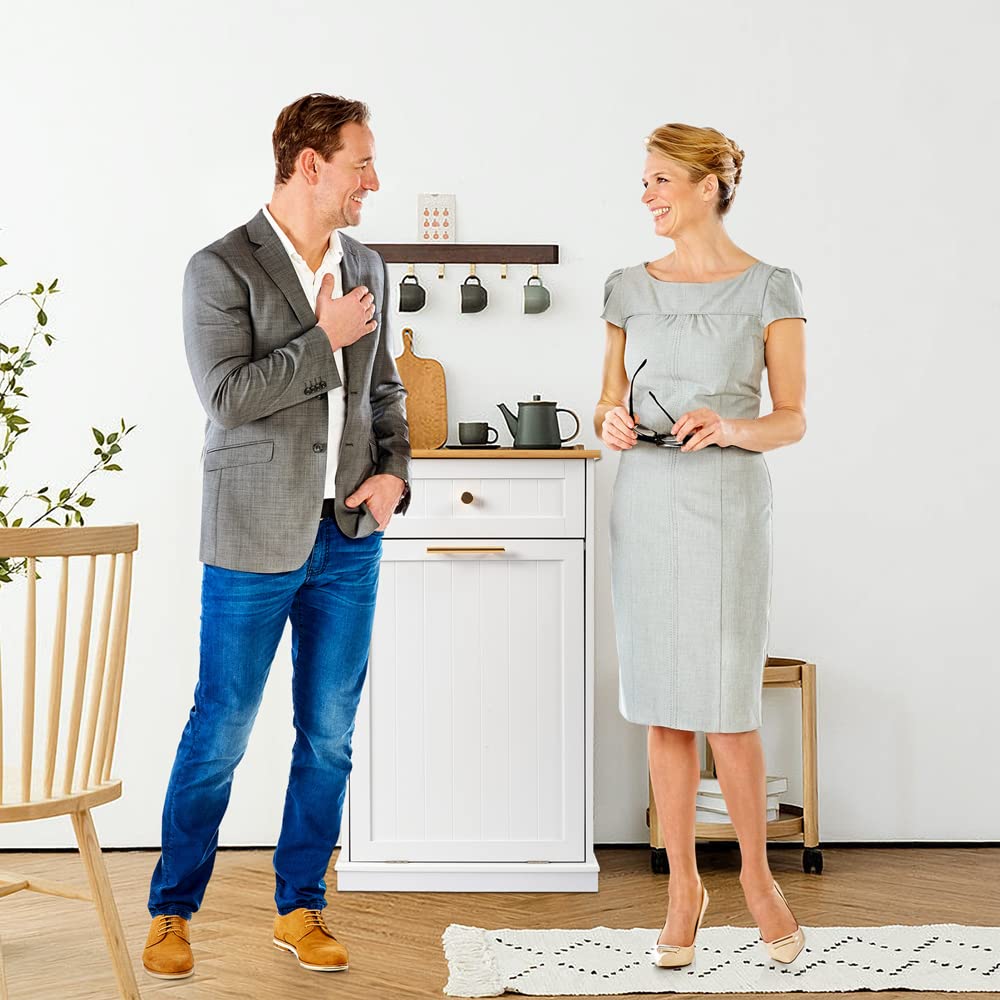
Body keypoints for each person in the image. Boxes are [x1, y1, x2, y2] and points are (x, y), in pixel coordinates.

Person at [141, 93, 410, 980]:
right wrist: (322, 338)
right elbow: (226, 397)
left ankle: (301, 907)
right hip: (252, 537)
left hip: (349, 539)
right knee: (220, 730)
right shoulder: (220, 267)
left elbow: (383, 392)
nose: (374, 180)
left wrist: (394, 475)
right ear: (309, 164)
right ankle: (172, 912)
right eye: (361, 164)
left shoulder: (367, 264)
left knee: (329, 736)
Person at [594, 123, 808, 968]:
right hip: (646, 500)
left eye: (659, 179)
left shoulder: (770, 287)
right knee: (663, 704)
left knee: (727, 704)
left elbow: (792, 418)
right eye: (643, 180)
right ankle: (683, 888)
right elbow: (608, 398)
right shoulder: (625, 288)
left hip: (727, 503)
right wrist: (611, 420)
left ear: (708, 185)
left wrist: (731, 426)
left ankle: (758, 878)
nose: (645, 194)